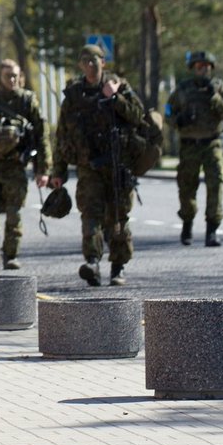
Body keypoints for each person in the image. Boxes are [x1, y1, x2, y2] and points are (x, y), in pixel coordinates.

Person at [50, 45, 147, 286]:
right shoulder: (74, 97)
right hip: (88, 166)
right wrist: (58, 171)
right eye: (85, 62)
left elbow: (138, 116)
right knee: (90, 215)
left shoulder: (118, 86)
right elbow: (62, 136)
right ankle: (92, 261)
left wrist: (114, 97)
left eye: (94, 61)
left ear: (103, 62)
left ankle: (118, 265)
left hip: (117, 165)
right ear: (81, 65)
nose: (90, 66)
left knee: (117, 217)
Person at [0, 60, 49, 269]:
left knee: (15, 213)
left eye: (15, 75)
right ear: (0, 77)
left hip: (15, 165)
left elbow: (41, 135)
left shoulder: (27, 101)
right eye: (7, 76)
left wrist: (43, 169)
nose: (12, 80)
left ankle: (10, 254)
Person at [168, 51, 223, 247]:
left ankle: (212, 230)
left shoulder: (219, 88)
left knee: (216, 183)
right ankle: (187, 225)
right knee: (187, 187)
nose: (203, 69)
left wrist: (215, 97)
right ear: (193, 69)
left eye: (206, 66)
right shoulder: (182, 90)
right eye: (199, 66)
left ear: (211, 68)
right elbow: (169, 112)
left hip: (211, 143)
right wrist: (178, 121)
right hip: (189, 145)